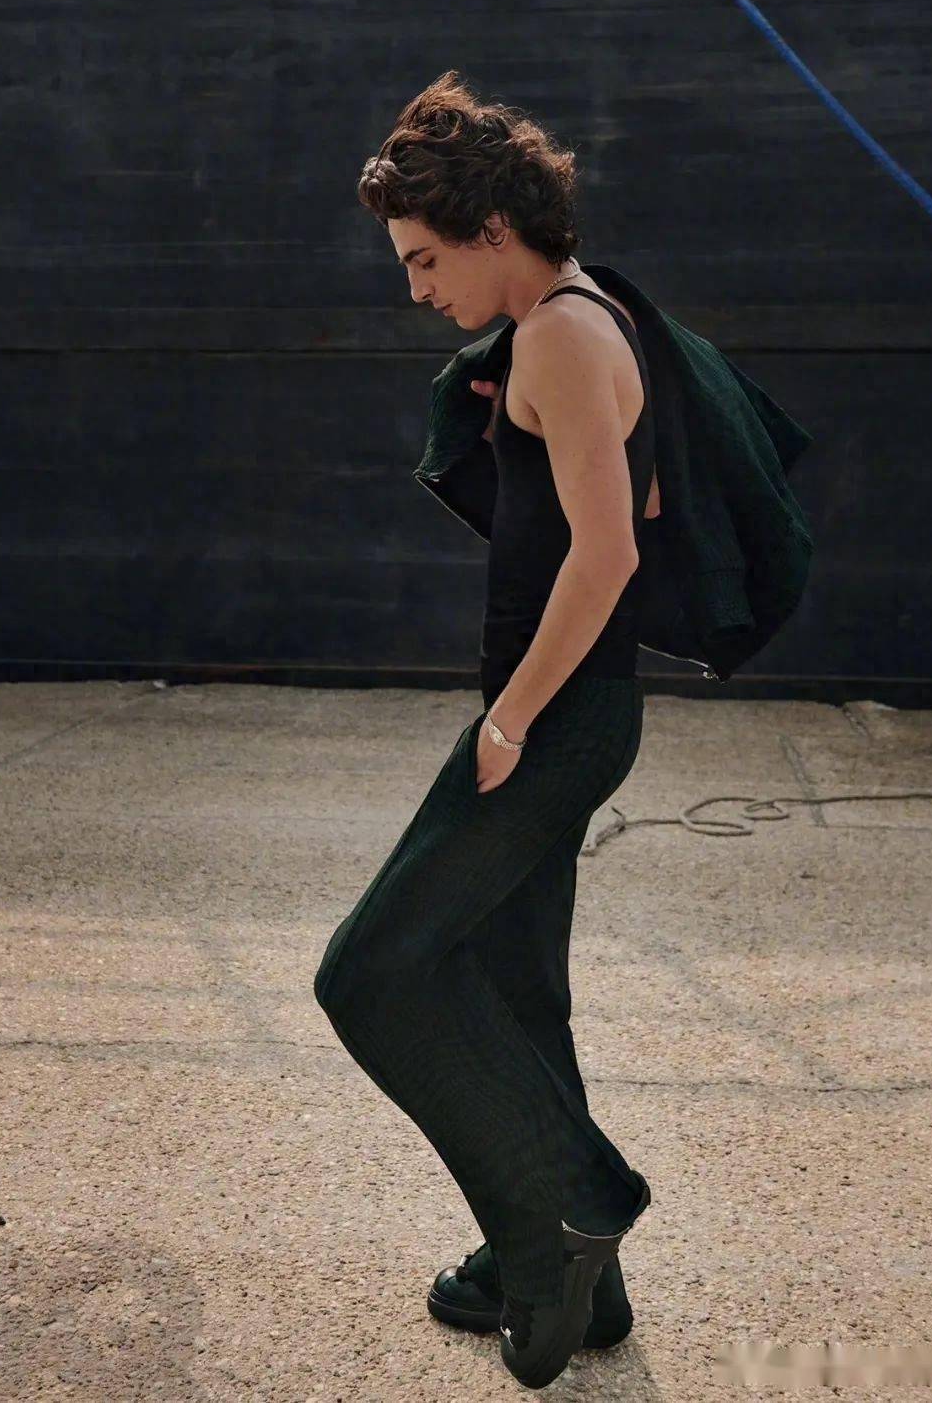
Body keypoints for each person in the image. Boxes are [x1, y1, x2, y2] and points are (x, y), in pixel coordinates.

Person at [313, 70, 657, 1389]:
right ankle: (587, 1285)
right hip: (572, 711)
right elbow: (632, 501)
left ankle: (559, 1220)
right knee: (520, 990)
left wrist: (509, 719)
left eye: (423, 258)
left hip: (553, 718)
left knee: (370, 971)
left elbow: (610, 552)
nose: (415, 288)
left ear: (492, 228)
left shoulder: (562, 332)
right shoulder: (585, 317)